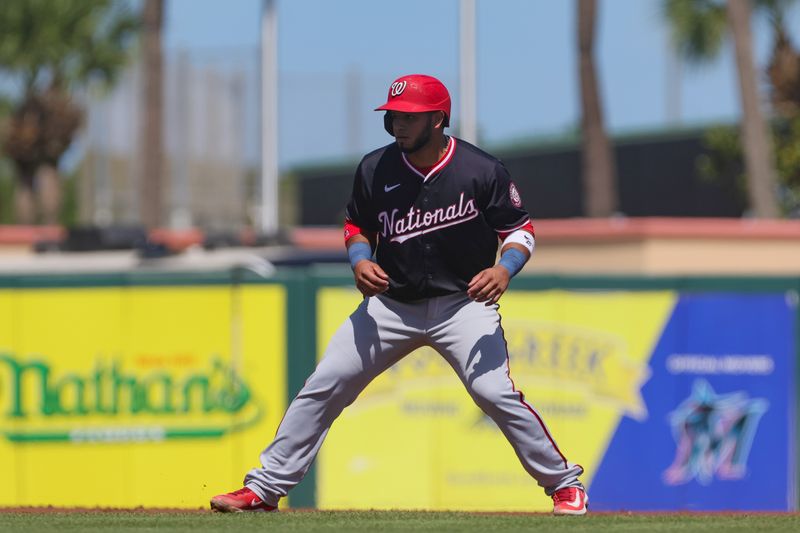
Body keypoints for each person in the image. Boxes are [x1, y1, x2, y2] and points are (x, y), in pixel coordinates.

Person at [211, 74, 587, 515]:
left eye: (409, 116)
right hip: (391, 306)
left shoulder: (481, 170)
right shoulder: (375, 167)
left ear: (438, 119)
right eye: (392, 116)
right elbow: (356, 225)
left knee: (494, 393)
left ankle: (564, 484)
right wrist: (359, 259)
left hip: (462, 305)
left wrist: (504, 268)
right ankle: (264, 488)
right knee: (325, 384)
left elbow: (519, 229)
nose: (398, 124)